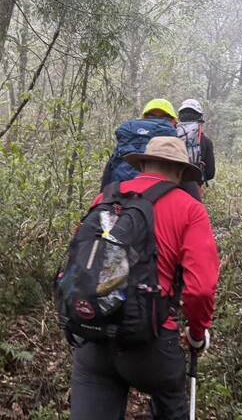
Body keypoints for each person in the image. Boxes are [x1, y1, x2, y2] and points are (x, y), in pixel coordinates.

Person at [71, 137, 220, 420]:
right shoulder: (190, 209)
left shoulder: (106, 198)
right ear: (180, 172)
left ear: (142, 165)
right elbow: (201, 290)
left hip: (94, 335)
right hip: (152, 344)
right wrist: (197, 335)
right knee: (171, 404)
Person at [100, 98, 178, 190]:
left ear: (143, 118)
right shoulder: (175, 144)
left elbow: (107, 179)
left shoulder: (127, 137)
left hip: (119, 194)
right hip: (161, 194)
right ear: (174, 122)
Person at [176, 99, 216, 188]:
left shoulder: (171, 135)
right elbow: (210, 173)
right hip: (194, 186)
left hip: (171, 184)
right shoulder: (206, 141)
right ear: (200, 117)